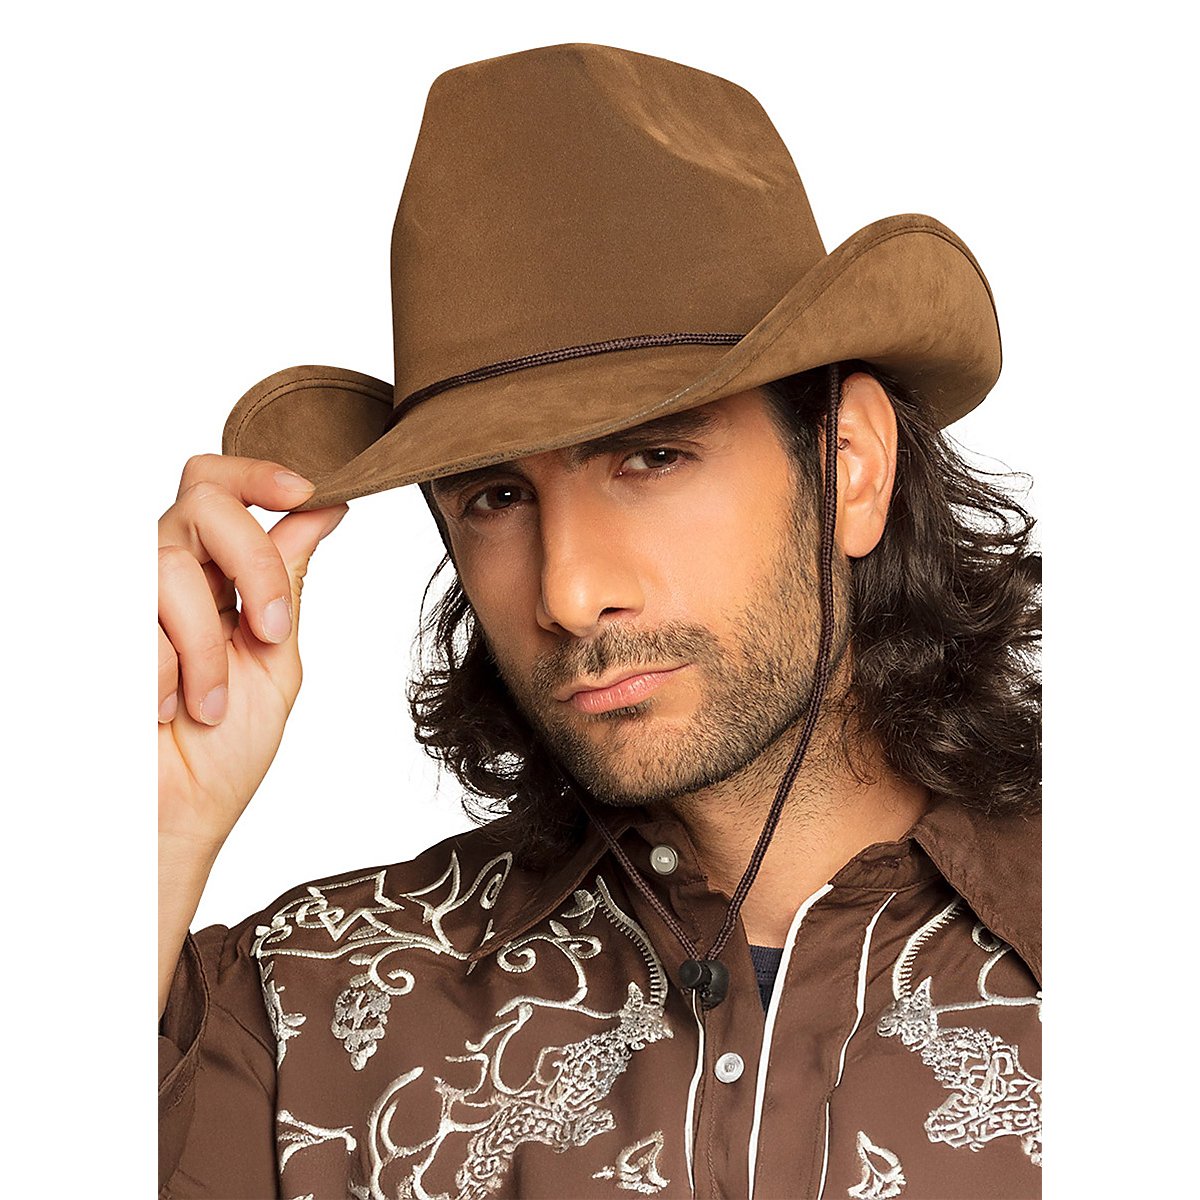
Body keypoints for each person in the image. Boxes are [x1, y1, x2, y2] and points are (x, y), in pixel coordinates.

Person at [158, 43, 1041, 1200]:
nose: (567, 593)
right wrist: (144, 828)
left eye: (651, 457)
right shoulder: (297, 1016)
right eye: (495, 496)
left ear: (850, 468)